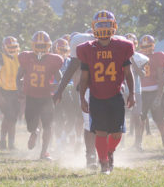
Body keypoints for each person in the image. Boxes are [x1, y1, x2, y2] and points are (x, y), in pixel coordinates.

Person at [77, 10, 135, 174]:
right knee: (101, 132)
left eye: (106, 24)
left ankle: (108, 153)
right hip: (96, 96)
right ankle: (103, 163)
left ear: (114, 26)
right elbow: (84, 77)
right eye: (100, 25)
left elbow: (128, 74)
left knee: (116, 133)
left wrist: (132, 93)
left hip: (115, 95)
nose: (103, 28)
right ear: (94, 27)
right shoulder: (87, 49)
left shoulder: (122, 46)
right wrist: (82, 98)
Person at [53, 32, 98, 169]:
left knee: (105, 124)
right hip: (85, 89)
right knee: (88, 123)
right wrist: (60, 91)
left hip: (106, 88)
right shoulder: (81, 45)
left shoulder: (116, 44)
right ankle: (91, 157)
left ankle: (105, 154)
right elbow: (73, 67)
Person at [17, 31, 63, 161]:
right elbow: (60, 79)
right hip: (36, 96)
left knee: (47, 126)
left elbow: (59, 79)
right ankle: (35, 132)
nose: (42, 48)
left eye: (43, 46)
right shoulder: (28, 58)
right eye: (40, 46)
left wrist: (19, 88)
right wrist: (19, 89)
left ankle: (44, 152)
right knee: (33, 126)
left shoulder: (50, 60)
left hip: (44, 97)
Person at [137, 35, 164, 150]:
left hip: (154, 91)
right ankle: (138, 144)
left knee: (159, 119)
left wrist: (159, 95)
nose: (146, 48)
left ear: (153, 45)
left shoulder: (158, 56)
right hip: (141, 92)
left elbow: (161, 77)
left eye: (148, 45)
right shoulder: (136, 56)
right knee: (140, 119)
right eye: (144, 46)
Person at [0, 36, 20, 150]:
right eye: (10, 47)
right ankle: (9, 143)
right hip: (3, 91)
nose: (12, 49)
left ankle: (4, 141)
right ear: (4, 47)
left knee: (11, 118)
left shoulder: (18, 58)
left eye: (14, 47)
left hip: (15, 91)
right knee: (10, 117)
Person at [124, 33, 149, 151]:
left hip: (136, 90)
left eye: (132, 43)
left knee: (137, 116)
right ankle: (120, 143)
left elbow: (143, 74)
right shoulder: (118, 55)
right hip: (121, 89)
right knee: (120, 117)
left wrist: (132, 61)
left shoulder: (140, 57)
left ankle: (138, 143)